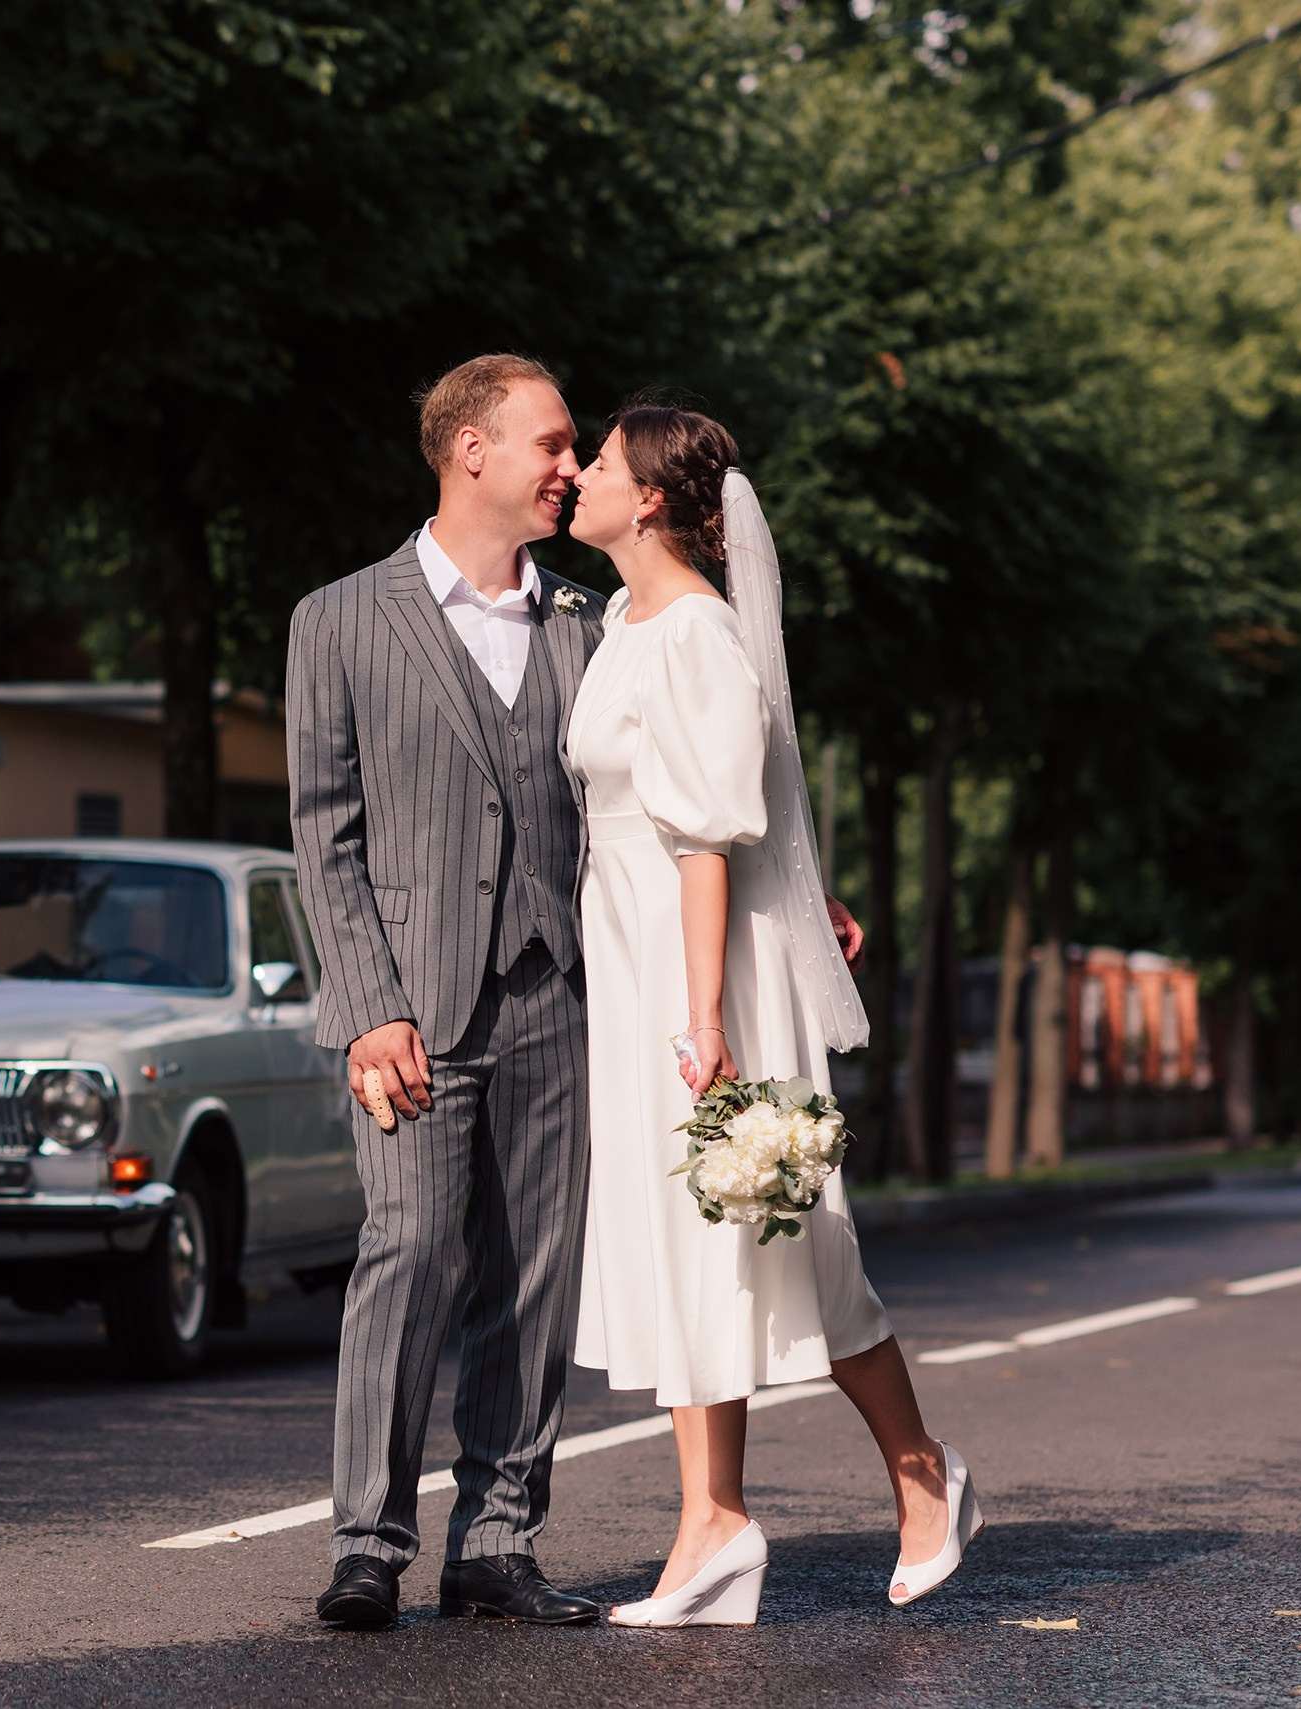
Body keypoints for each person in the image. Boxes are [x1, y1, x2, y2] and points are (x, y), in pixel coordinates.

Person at [560, 401, 982, 1627]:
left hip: (698, 966)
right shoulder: (622, 625)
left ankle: (923, 1478)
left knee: (782, 1234)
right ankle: (711, 1526)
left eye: (595, 460)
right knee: (692, 1242)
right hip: (640, 954)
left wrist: (702, 1015)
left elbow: (705, 836)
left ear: (645, 496)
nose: (577, 476)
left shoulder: (693, 631)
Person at [286, 353, 610, 1628]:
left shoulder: (586, 622)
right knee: (410, 1249)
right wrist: (366, 1004)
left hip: (556, 991)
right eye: (552, 442)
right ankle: (369, 1538)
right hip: (410, 1006)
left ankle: (498, 1537)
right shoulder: (339, 618)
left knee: (534, 1269)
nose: (570, 467)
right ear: (469, 450)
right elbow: (326, 830)